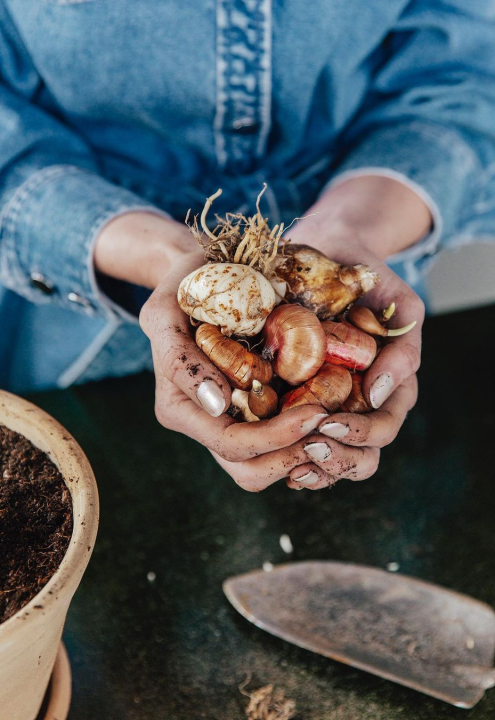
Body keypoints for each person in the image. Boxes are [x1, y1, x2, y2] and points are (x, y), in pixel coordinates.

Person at [0, 1, 494, 491]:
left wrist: (354, 228)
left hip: (368, 240)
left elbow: (464, 71)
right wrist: (165, 254)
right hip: (76, 340)